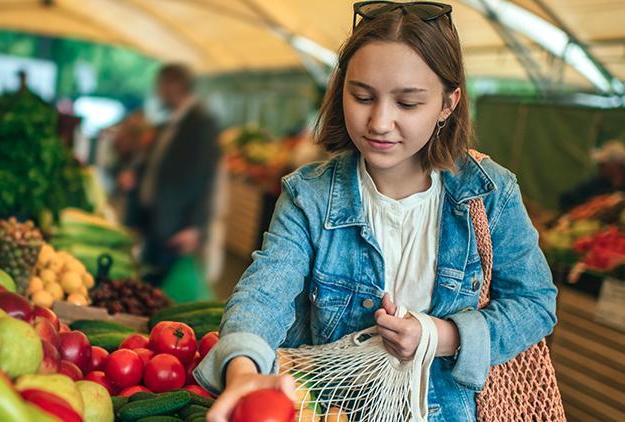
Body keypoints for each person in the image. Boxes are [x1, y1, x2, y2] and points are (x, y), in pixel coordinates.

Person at [194, 2, 558, 421]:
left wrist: (443, 335)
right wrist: (243, 370)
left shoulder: (491, 192)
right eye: (362, 96)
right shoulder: (309, 195)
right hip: (333, 410)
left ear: (448, 103)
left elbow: (535, 303)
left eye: (407, 103)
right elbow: (264, 293)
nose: (380, 122)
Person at [121, 63, 221, 286]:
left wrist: (196, 227)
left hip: (175, 226)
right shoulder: (170, 121)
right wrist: (135, 174)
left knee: (162, 288)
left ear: (175, 85)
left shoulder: (202, 124)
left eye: (161, 86)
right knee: (146, 280)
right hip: (153, 220)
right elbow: (157, 163)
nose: (158, 93)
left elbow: (206, 180)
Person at [559, 139, 625, 211]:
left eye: (603, 163)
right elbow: (565, 200)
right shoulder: (593, 186)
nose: (599, 165)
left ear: (616, 165)